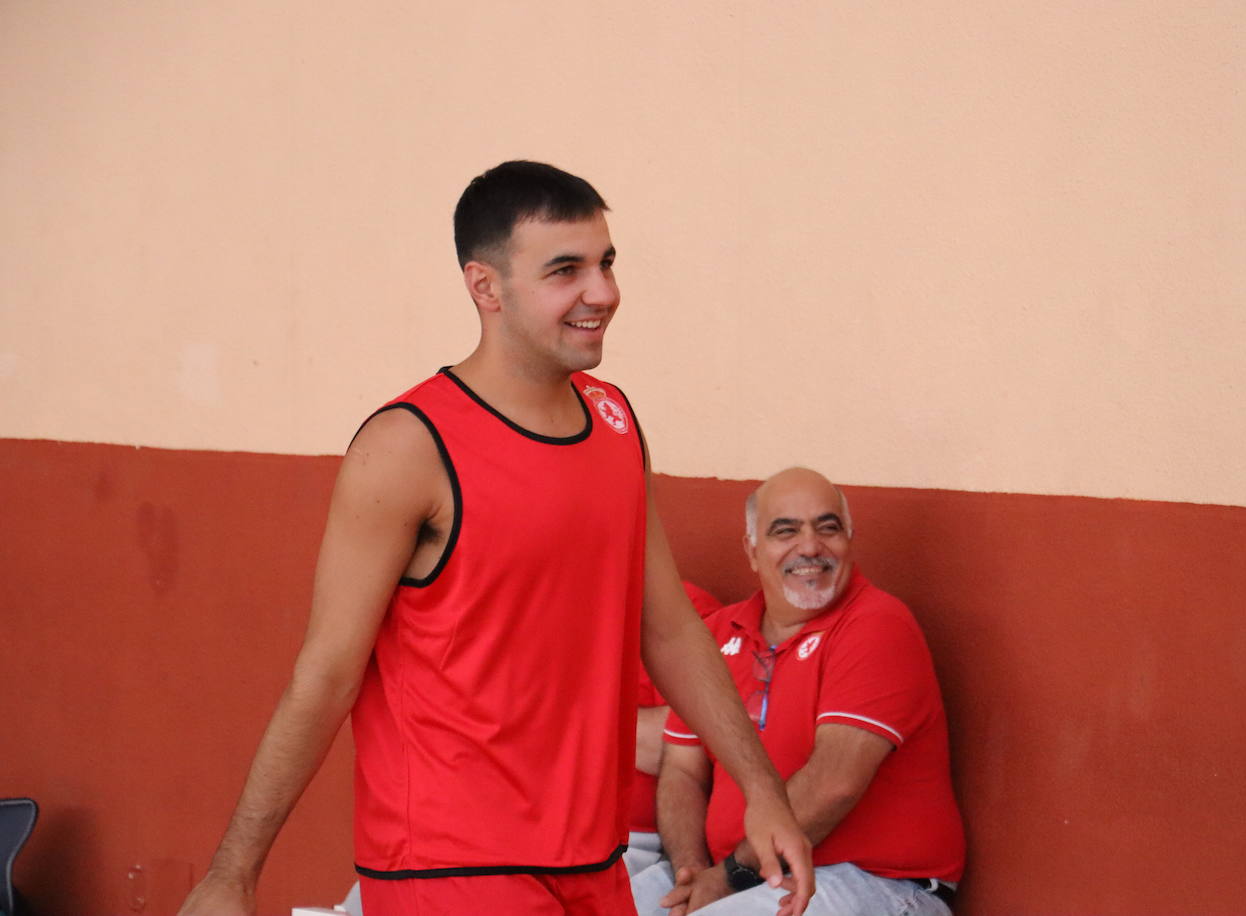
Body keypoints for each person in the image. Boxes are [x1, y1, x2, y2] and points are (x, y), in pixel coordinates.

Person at [177, 161, 813, 916]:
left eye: (606, 263)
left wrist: (765, 796)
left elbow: (668, 627)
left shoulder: (613, 422)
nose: (602, 292)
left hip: (591, 861)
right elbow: (326, 675)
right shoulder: (408, 448)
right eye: (565, 271)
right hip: (450, 868)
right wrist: (232, 874)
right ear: (486, 287)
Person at [631, 468, 965, 916]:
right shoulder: (716, 632)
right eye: (785, 531)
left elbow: (833, 784)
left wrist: (730, 876)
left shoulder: (877, 624)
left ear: (850, 539)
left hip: (875, 882)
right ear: (752, 550)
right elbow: (682, 770)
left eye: (828, 528)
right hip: (737, 874)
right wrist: (691, 871)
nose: (810, 547)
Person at [627, 581, 725, 877]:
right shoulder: (536, 612)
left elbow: (699, 741)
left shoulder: (677, 607)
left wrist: (558, 728)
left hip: (630, 840)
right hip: (525, 829)